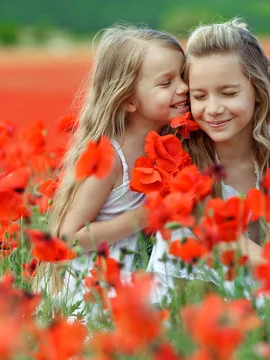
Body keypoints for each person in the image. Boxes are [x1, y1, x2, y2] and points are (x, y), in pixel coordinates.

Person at [148, 19, 270, 303]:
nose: (213, 109)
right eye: (199, 96)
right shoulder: (181, 154)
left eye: (228, 93)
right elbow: (210, 239)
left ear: (258, 89)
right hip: (197, 290)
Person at [37, 25, 190, 316]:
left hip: (133, 275)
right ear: (128, 100)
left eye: (182, 76)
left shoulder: (168, 144)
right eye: (166, 82)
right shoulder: (109, 158)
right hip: (93, 288)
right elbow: (67, 239)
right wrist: (140, 218)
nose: (183, 88)